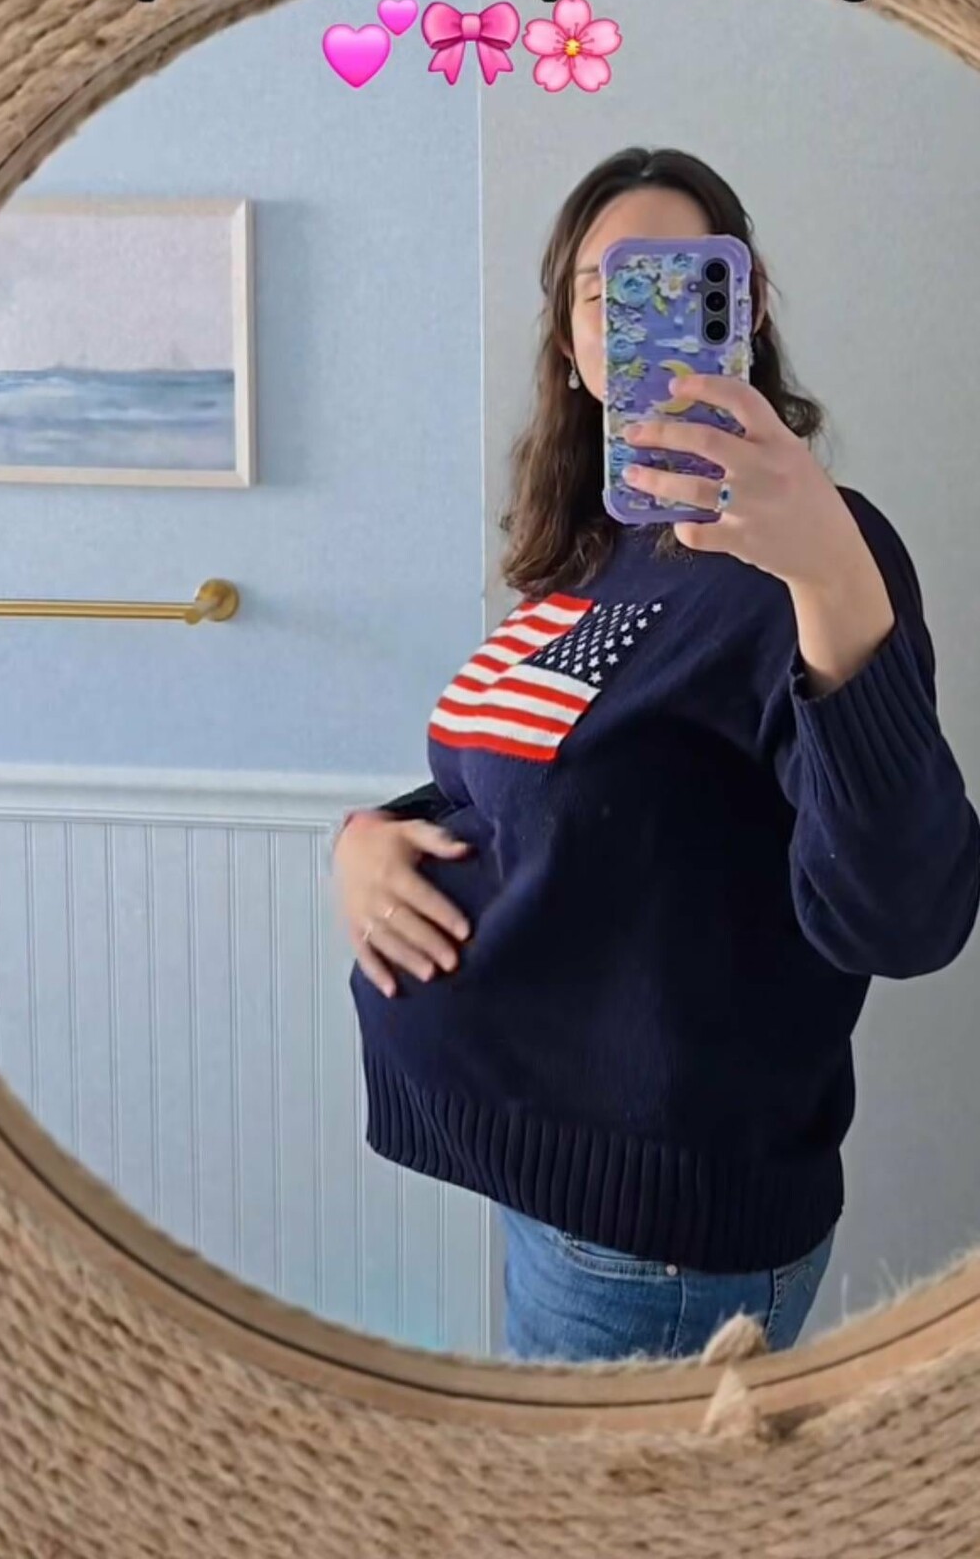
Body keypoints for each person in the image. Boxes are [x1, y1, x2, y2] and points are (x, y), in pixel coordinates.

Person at [332, 145, 980, 1365]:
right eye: (607, 290)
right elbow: (549, 785)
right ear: (572, 346)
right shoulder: (593, 556)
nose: (645, 318)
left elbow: (906, 918)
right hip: (562, 1202)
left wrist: (831, 575)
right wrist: (365, 842)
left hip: (655, 1250)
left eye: (684, 282)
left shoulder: (816, 557)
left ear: (748, 309)